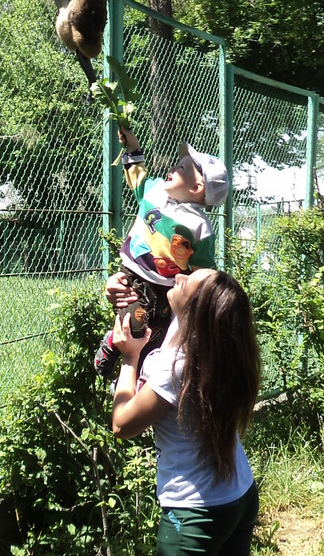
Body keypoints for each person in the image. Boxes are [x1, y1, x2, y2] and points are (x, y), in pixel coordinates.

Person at [110, 266, 268, 556]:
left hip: (193, 514)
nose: (177, 279)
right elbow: (169, 330)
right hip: (239, 496)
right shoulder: (225, 353)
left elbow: (123, 424)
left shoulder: (172, 368)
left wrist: (129, 359)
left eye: (187, 283)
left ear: (196, 310)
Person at [93, 127, 229, 377]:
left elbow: (202, 269)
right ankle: (113, 343)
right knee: (135, 318)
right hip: (132, 273)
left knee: (155, 335)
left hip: (165, 287)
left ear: (198, 187)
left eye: (182, 168)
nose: (173, 168)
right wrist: (133, 146)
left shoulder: (199, 227)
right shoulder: (155, 191)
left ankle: (141, 380)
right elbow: (137, 176)